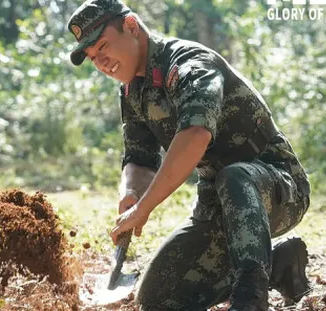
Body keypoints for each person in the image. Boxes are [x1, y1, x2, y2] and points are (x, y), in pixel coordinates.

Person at [67, 1, 312, 310]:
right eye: (92, 57)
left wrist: (145, 208)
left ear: (130, 26)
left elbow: (195, 135)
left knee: (235, 177)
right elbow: (139, 158)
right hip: (216, 201)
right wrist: (130, 193)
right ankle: (279, 264)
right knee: (157, 298)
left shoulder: (188, 63)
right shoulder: (132, 89)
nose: (101, 62)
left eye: (103, 47)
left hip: (276, 188)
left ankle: (250, 296)